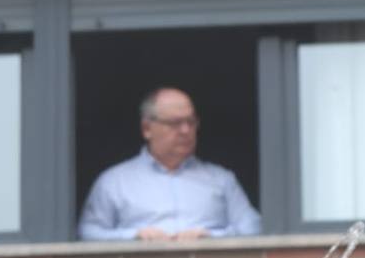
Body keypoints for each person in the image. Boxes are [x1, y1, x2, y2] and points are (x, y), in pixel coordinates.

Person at [78, 87, 261, 241]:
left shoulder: (221, 179)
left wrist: (211, 236)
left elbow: (254, 227)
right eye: (175, 123)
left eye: (190, 122)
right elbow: (88, 233)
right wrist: (134, 236)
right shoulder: (114, 181)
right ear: (147, 129)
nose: (185, 130)